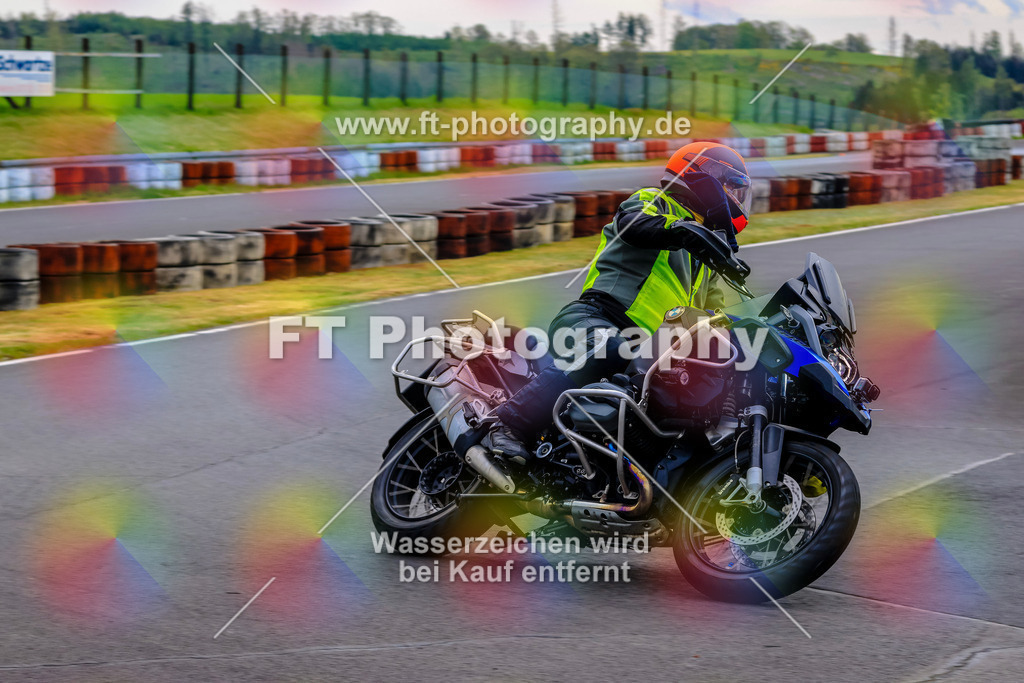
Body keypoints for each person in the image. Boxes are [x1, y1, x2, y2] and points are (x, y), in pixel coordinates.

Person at [485, 141, 754, 462]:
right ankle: (506, 425)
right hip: (599, 316)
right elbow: (633, 224)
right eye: (731, 188)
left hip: (649, 348)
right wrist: (686, 231)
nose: (736, 199)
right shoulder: (656, 202)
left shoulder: (704, 263)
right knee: (609, 351)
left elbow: (716, 319)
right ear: (703, 175)